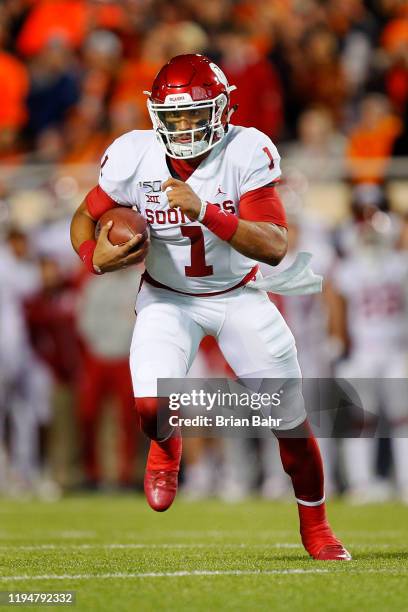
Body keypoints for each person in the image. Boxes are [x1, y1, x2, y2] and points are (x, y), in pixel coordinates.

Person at [70, 53, 350, 561]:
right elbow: (82, 216)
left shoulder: (246, 150)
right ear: (155, 114)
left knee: (290, 421)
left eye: (194, 116)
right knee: (151, 406)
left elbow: (273, 245)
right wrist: (94, 257)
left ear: (222, 110)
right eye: (172, 117)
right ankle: (166, 444)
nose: (183, 127)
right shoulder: (135, 154)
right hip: (166, 296)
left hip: (238, 296)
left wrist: (206, 212)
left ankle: (317, 525)